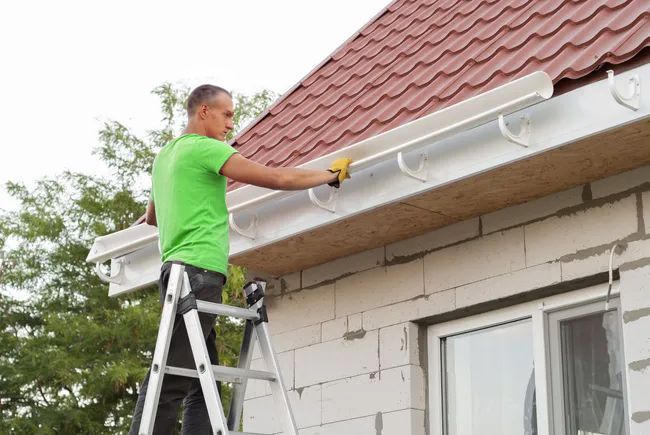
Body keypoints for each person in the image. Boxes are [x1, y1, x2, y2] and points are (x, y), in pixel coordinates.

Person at [128, 84, 351, 434]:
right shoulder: (205, 149)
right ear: (204, 111)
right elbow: (276, 176)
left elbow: (153, 217)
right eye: (227, 114)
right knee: (169, 379)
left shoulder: (164, 157)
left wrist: (189, 203)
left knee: (203, 383)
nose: (231, 123)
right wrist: (329, 175)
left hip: (174, 274)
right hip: (198, 273)